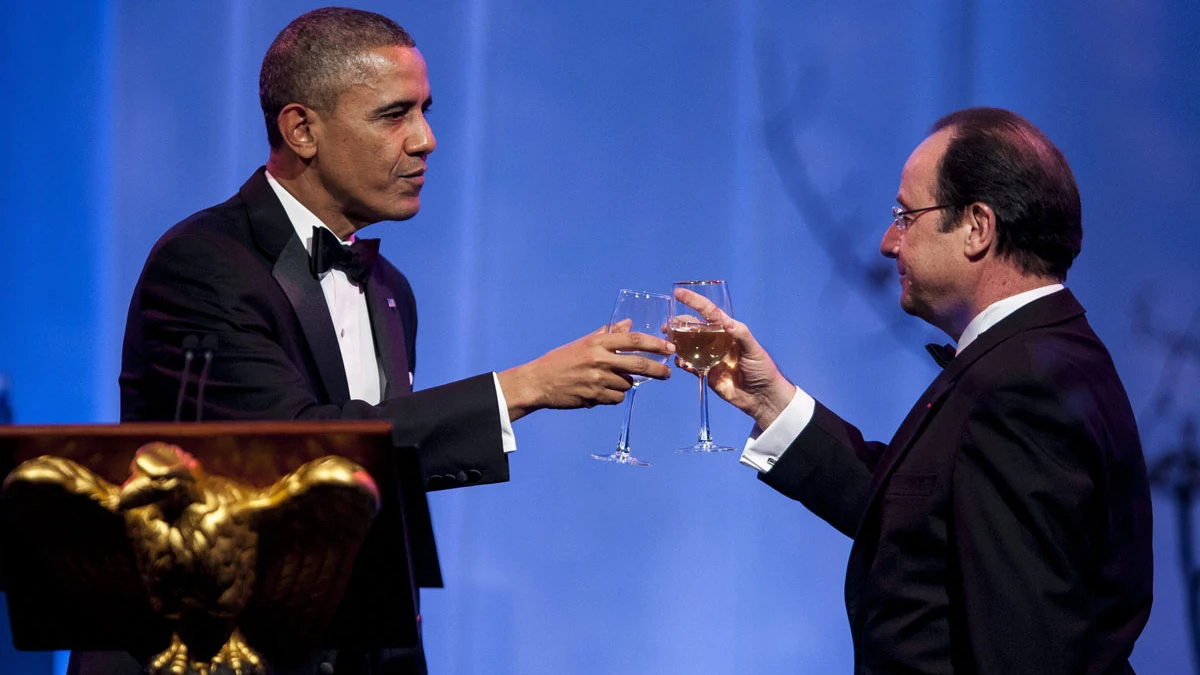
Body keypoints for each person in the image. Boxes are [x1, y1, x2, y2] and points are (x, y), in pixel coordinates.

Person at [88, 7, 674, 675]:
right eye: (395, 115)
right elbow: (296, 454)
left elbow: (377, 472)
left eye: (426, 110)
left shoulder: (389, 287)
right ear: (302, 128)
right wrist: (522, 388)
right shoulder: (204, 264)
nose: (426, 139)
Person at [676, 107, 1153, 674]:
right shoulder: (1035, 356)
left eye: (906, 216)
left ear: (978, 227)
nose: (886, 242)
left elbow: (1026, 647)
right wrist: (770, 400)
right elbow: (922, 525)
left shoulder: (1022, 386)